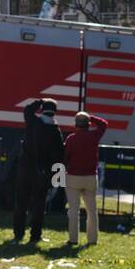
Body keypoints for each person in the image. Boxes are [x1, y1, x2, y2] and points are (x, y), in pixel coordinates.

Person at [13, 98, 64, 244]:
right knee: (39, 205)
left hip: (25, 170)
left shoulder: (33, 122)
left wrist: (39, 101)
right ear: (55, 112)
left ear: (42, 109)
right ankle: (35, 236)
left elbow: (27, 109)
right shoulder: (55, 130)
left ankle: (18, 234)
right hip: (43, 173)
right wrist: (56, 178)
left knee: (21, 203)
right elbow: (59, 155)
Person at [63, 111, 108, 245]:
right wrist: (90, 117)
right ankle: (92, 239)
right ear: (88, 125)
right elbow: (103, 124)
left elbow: (65, 157)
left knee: (73, 210)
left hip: (73, 177)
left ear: (75, 125)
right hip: (90, 177)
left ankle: (73, 239)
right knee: (92, 210)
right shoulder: (94, 136)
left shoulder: (71, 138)